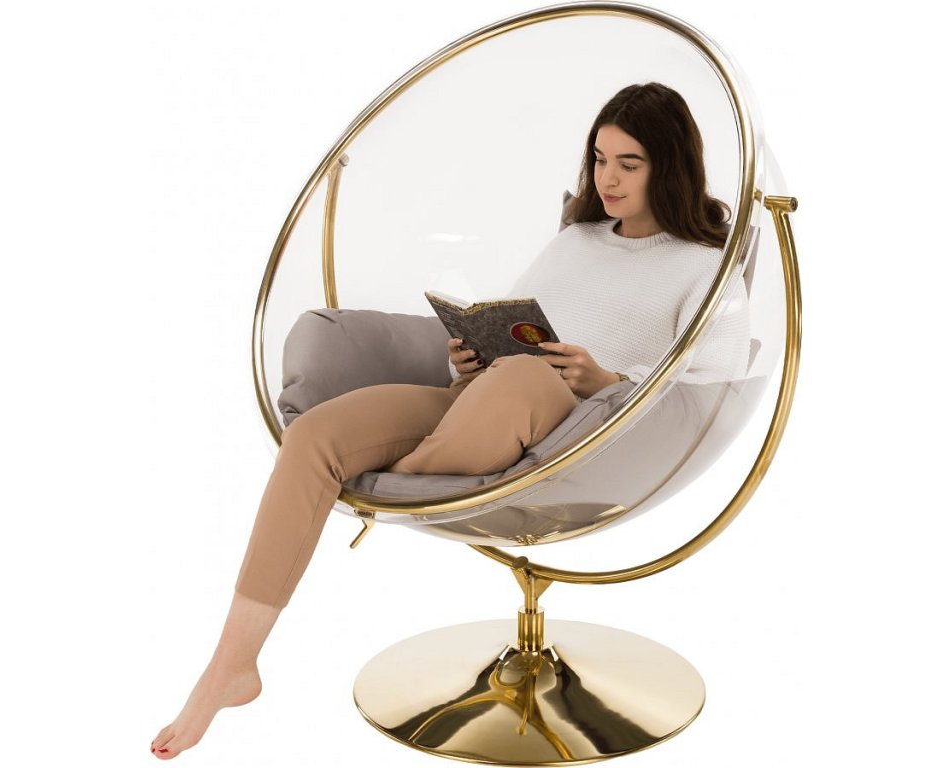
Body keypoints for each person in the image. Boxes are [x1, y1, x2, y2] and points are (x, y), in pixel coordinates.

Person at [150, 81, 749, 759]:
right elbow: (519, 322)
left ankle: (391, 473)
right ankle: (232, 665)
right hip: (482, 401)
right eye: (600, 159)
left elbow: (715, 381)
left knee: (524, 377)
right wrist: (464, 358)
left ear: (670, 167)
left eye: (628, 164)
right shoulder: (578, 238)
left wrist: (609, 382)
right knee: (314, 436)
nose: (607, 179)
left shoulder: (705, 267)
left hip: (580, 435)